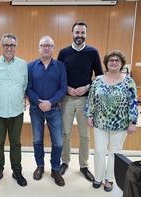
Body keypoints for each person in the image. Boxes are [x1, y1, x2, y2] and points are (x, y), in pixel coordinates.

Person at [85, 50, 138, 192]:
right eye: (111, 60)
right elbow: (91, 100)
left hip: (120, 123)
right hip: (100, 122)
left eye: (117, 60)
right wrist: (89, 115)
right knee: (99, 150)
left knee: (115, 152)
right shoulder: (98, 80)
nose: (114, 62)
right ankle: (98, 177)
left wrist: (133, 122)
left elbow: (133, 102)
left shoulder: (128, 81)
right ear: (106, 63)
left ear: (121, 64)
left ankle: (110, 179)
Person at [57, 21, 104, 182]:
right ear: (72, 33)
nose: (79, 36)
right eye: (77, 33)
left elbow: (99, 76)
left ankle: (84, 165)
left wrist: (86, 87)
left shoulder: (93, 52)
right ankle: (65, 162)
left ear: (86, 34)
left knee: (85, 135)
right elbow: (59, 75)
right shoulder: (63, 53)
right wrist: (67, 88)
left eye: (82, 33)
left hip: (85, 100)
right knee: (66, 133)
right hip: (67, 98)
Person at [0, 33, 28, 187]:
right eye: (6, 45)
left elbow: (24, 85)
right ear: (1, 46)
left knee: (16, 143)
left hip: (16, 111)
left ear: (16, 47)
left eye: (12, 45)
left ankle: (17, 170)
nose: (9, 48)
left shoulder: (23, 64)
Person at [26, 36, 67, 186]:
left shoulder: (60, 66)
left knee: (57, 142)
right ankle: (40, 166)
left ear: (53, 48)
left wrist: (50, 102)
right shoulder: (30, 66)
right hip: (36, 109)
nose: (46, 48)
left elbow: (63, 88)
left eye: (49, 45)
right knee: (38, 140)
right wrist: (39, 102)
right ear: (39, 48)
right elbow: (28, 88)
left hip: (54, 109)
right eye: (43, 45)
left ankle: (55, 169)